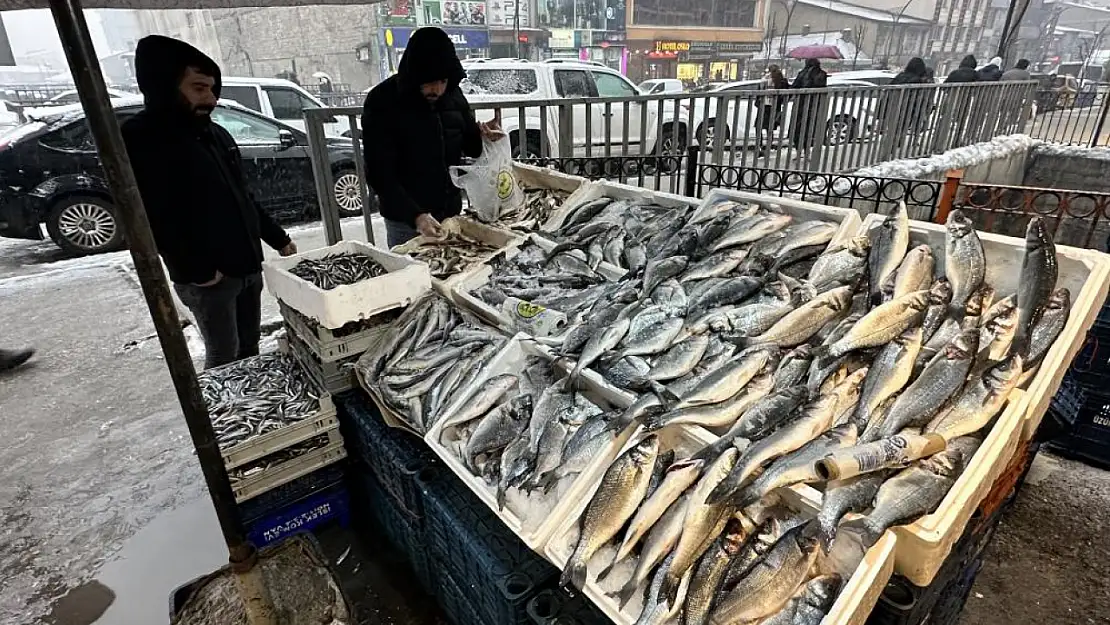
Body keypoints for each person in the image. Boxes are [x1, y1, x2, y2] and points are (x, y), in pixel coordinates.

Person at [122, 36, 297, 370]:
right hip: (210, 279)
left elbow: (242, 197)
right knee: (223, 356)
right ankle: (224, 418)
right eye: (199, 88)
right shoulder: (141, 138)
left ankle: (249, 408)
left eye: (213, 90)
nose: (211, 99)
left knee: (249, 347)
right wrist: (199, 271)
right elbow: (151, 216)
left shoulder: (215, 134)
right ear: (165, 86)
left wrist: (278, 238)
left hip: (246, 266)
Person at [362, 27, 502, 249]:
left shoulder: (453, 95)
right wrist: (415, 216)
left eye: (442, 81)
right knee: (412, 279)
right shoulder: (382, 101)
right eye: (428, 81)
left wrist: (483, 134)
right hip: (406, 222)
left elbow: (470, 146)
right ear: (414, 75)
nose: (436, 89)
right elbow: (379, 173)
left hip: (449, 215)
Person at [790, 59, 829, 154]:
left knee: (798, 127)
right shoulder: (822, 74)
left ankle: (799, 150)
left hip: (801, 103)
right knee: (810, 127)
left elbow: (795, 86)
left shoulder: (802, 73)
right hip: (815, 104)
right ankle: (807, 150)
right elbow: (822, 87)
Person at [754, 65, 790, 158]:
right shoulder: (776, 80)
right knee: (767, 128)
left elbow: (759, 93)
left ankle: (761, 148)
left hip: (766, 107)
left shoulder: (776, 80)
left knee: (762, 128)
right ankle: (765, 148)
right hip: (771, 107)